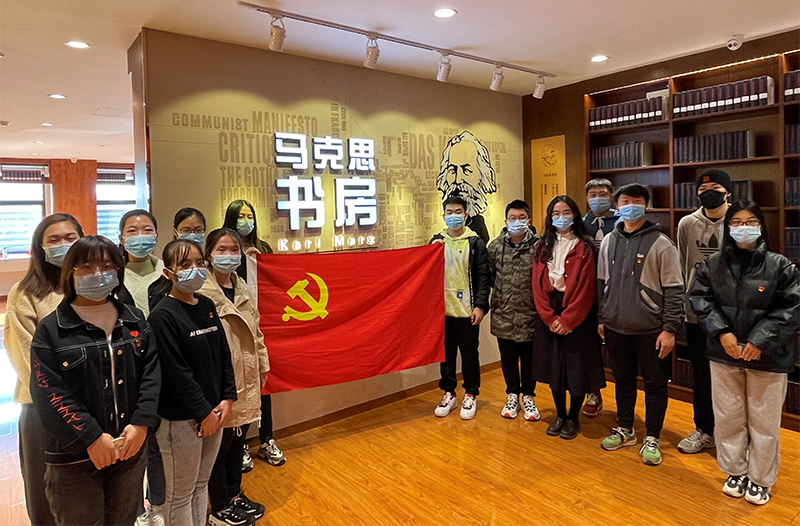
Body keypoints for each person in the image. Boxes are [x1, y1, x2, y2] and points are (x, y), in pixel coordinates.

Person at [29, 235, 160, 526]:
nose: (97, 273)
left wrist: (141, 424)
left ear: (118, 271)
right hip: (75, 458)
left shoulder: (134, 319)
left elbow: (151, 375)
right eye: (86, 266)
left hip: (129, 449)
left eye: (107, 266)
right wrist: (90, 437)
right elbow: (48, 392)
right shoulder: (51, 329)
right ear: (70, 272)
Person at [690, 201, 800, 506]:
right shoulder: (712, 264)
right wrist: (722, 333)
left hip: (767, 356)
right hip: (724, 353)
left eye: (750, 221)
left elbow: (791, 308)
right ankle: (735, 471)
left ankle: (761, 479)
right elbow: (700, 299)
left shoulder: (781, 266)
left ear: (761, 226)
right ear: (728, 228)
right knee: (729, 418)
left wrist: (758, 341)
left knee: (764, 422)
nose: (743, 227)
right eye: (736, 222)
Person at [148, 239, 237, 526]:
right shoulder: (162, 315)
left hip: (215, 413)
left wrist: (228, 398)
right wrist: (204, 414)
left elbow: (224, 355)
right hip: (181, 420)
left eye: (199, 263)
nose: (194, 269)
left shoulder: (207, 304)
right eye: (185, 265)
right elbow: (177, 374)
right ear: (168, 273)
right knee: (179, 495)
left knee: (201, 486)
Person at [4, 213, 83, 526]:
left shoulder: (94, 287)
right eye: (54, 239)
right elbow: (27, 362)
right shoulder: (25, 294)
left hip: (95, 409)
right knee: (47, 497)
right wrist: (68, 403)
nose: (63, 244)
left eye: (70, 238)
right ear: (40, 247)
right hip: (44, 410)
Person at [597, 183, 684, 465]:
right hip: (615, 327)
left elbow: (674, 289)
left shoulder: (661, 243)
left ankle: (653, 437)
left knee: (655, 384)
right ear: (617, 205)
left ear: (646, 205)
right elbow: (601, 283)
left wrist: (669, 329)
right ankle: (626, 429)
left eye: (636, 201)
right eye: (625, 201)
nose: (630, 206)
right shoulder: (608, 240)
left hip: (651, 330)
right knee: (622, 380)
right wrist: (602, 317)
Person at [200, 229, 268, 525]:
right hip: (221, 384)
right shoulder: (202, 293)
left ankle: (234, 494)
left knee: (238, 446)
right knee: (220, 448)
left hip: (247, 377)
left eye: (234, 250)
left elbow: (257, 331)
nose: (228, 255)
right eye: (222, 249)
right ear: (209, 255)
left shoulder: (243, 288)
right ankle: (220, 506)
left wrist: (263, 365)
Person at [532, 196, 606, 439]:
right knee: (554, 368)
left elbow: (587, 289)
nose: (561, 217)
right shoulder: (542, 246)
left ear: (574, 215)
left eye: (566, 212)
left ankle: (573, 417)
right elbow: (536, 285)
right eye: (556, 213)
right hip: (550, 311)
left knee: (576, 368)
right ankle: (560, 414)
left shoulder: (585, 247)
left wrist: (568, 320)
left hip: (577, 313)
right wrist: (549, 317)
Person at [675, 169, 732, 454]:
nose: (709, 192)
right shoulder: (687, 223)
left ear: (728, 191)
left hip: (731, 315)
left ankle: (732, 435)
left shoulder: (740, 220)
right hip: (696, 313)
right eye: (703, 189)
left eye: (716, 187)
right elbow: (682, 264)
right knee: (701, 375)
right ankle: (704, 429)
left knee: (733, 377)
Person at [430, 196, 491, 419]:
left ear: (465, 216)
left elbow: (483, 277)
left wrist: (480, 306)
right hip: (443, 312)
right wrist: (431, 251)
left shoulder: (475, 243)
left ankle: (471, 394)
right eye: (449, 212)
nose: (453, 216)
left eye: (458, 212)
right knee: (445, 356)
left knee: (469, 355)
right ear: (443, 215)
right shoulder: (436, 242)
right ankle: (449, 393)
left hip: (467, 311)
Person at [486, 199, 541, 421]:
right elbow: (490, 277)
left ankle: (528, 396)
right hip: (504, 314)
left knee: (529, 359)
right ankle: (512, 395)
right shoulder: (495, 247)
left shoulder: (540, 246)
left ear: (529, 220)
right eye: (512, 218)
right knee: (508, 358)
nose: (517, 221)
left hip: (530, 314)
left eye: (521, 218)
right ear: (506, 221)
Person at [580, 178, 619, 418]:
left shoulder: (622, 222)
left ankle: (624, 403)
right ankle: (593, 392)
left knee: (617, 347)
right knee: (588, 347)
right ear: (586, 198)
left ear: (611, 196)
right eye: (593, 195)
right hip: (586, 292)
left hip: (614, 292)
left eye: (603, 194)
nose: (598, 199)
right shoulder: (580, 224)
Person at [118, 209, 166, 318]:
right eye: (132, 231)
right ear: (121, 239)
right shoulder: (113, 276)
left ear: (156, 237)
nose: (140, 235)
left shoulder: (168, 273)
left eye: (147, 230)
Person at [222, 199, 273, 283]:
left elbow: (271, 276)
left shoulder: (264, 248)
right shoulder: (221, 248)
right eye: (241, 217)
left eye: (250, 217)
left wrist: (259, 260)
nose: (246, 221)